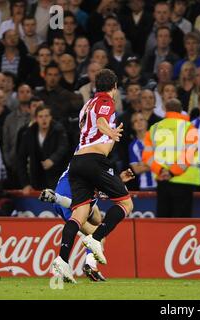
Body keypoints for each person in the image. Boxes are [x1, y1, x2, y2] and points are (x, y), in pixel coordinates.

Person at [51, 69, 133, 283]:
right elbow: (101, 122)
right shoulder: (106, 101)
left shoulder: (87, 104)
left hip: (77, 161)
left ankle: (61, 262)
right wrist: (110, 132)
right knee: (126, 204)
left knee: (79, 215)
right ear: (114, 86)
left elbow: (88, 125)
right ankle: (95, 240)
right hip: (93, 160)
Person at [39, 165, 135, 281]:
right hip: (71, 199)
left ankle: (58, 199)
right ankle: (89, 265)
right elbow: (102, 193)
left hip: (73, 196)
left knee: (97, 219)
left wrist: (118, 180)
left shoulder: (85, 160)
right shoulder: (95, 165)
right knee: (98, 235)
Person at [143, 98, 200, 217]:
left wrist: (161, 171)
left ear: (165, 110)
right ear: (181, 111)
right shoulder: (189, 127)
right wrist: (172, 172)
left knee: (164, 222)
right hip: (184, 180)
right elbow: (189, 154)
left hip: (163, 181)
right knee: (180, 223)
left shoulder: (154, 128)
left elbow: (147, 157)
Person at [17, 104, 69, 194]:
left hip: (57, 178)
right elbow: (21, 159)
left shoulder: (58, 130)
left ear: (50, 117)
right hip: (37, 180)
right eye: (40, 116)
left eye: (46, 116)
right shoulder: (29, 133)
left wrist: (52, 160)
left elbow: (64, 147)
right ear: (36, 119)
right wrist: (25, 184)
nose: (44, 119)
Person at [128, 112, 156, 191]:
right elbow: (136, 170)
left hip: (161, 183)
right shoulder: (133, 146)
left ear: (146, 122)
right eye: (135, 121)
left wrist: (143, 163)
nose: (139, 122)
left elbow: (162, 162)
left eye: (141, 119)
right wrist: (153, 162)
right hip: (145, 187)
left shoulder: (157, 140)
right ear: (133, 126)